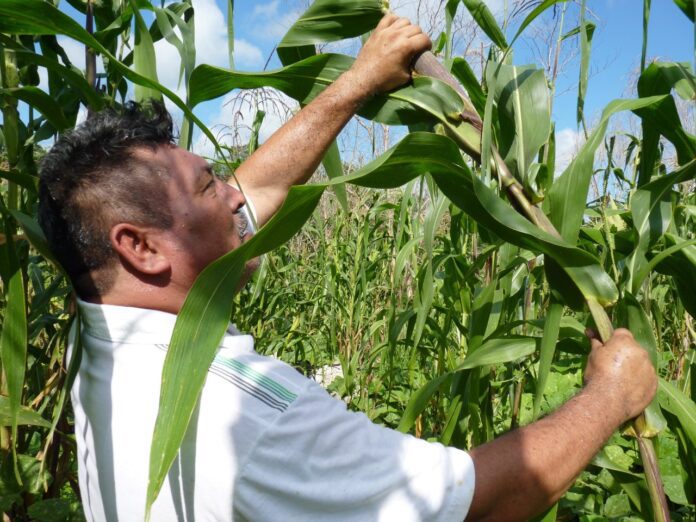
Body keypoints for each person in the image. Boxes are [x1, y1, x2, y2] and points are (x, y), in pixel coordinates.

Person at [38, 13, 657, 522]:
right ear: (139, 247)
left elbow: (247, 199)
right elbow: (472, 504)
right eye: (208, 186)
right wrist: (610, 395)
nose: (234, 195)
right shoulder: (242, 418)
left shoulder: (101, 326)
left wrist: (355, 84)